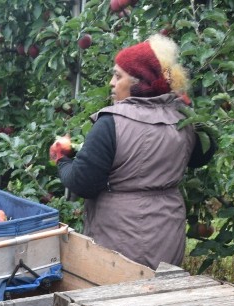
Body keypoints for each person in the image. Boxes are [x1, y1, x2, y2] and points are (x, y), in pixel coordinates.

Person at [51, 33, 216, 270]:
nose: (111, 82)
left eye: (118, 76)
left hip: (119, 238)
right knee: (159, 297)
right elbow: (204, 154)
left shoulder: (110, 123)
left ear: (140, 82)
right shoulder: (183, 119)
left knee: (117, 298)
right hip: (167, 231)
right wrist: (187, 108)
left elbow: (83, 182)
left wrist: (62, 160)